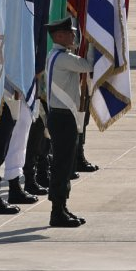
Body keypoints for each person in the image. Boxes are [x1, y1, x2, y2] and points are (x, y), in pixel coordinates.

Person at [43, 18, 95, 229]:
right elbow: (88, 65)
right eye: (70, 33)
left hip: (61, 116)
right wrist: (93, 43)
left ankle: (61, 207)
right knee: (62, 165)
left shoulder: (56, 55)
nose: (74, 36)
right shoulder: (63, 58)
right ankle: (57, 212)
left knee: (64, 164)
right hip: (63, 117)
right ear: (59, 36)